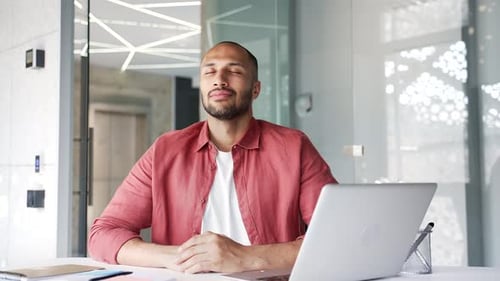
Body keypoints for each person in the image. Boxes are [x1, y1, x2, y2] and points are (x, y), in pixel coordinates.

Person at [88, 41, 337, 274]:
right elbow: (103, 234)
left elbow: (335, 236)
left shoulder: (293, 147)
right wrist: (179, 256)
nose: (220, 80)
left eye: (234, 71)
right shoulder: (165, 150)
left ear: (256, 89)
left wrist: (245, 257)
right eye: (210, 72)